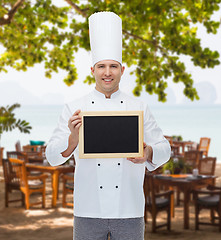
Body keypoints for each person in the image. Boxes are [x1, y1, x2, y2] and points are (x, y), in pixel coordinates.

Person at [46, 11, 171, 240]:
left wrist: (149, 151)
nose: (107, 72)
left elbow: (165, 148)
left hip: (130, 209)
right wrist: (72, 140)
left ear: (122, 70)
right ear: (92, 71)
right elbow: (52, 156)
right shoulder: (74, 107)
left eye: (113, 66)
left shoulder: (139, 107)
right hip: (87, 210)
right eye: (101, 66)